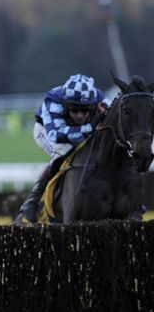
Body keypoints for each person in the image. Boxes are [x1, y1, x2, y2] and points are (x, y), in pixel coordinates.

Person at [18, 74, 111, 223]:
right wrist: (91, 125)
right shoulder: (54, 99)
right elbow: (56, 135)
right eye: (74, 109)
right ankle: (32, 201)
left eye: (85, 110)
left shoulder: (98, 96)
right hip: (47, 132)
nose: (80, 115)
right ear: (66, 104)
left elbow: (116, 114)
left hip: (76, 130)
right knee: (63, 151)